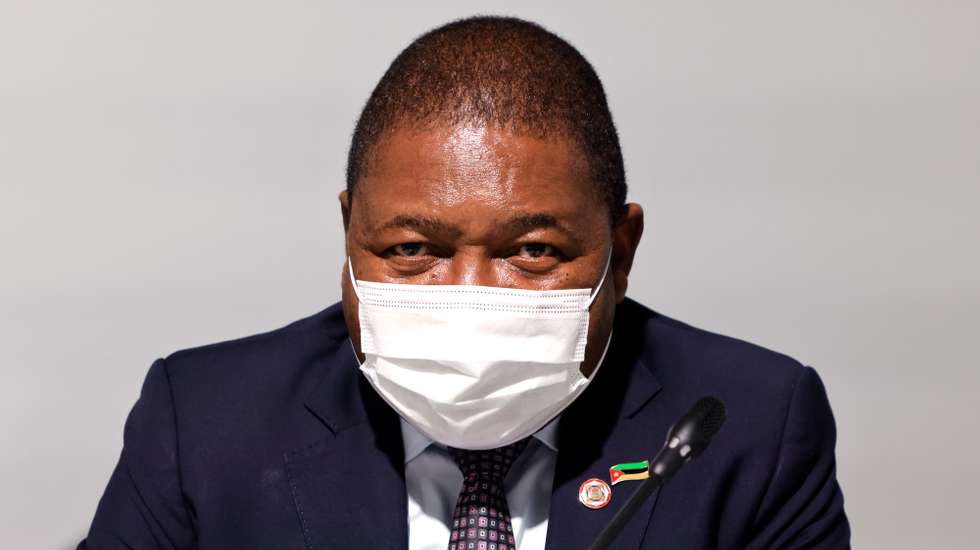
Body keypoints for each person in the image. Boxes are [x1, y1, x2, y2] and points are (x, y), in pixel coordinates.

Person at [78, 16, 849, 550]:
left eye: (535, 252)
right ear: (349, 235)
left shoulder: (751, 425)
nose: (468, 296)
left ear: (622, 250)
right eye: (412, 248)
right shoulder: (205, 421)